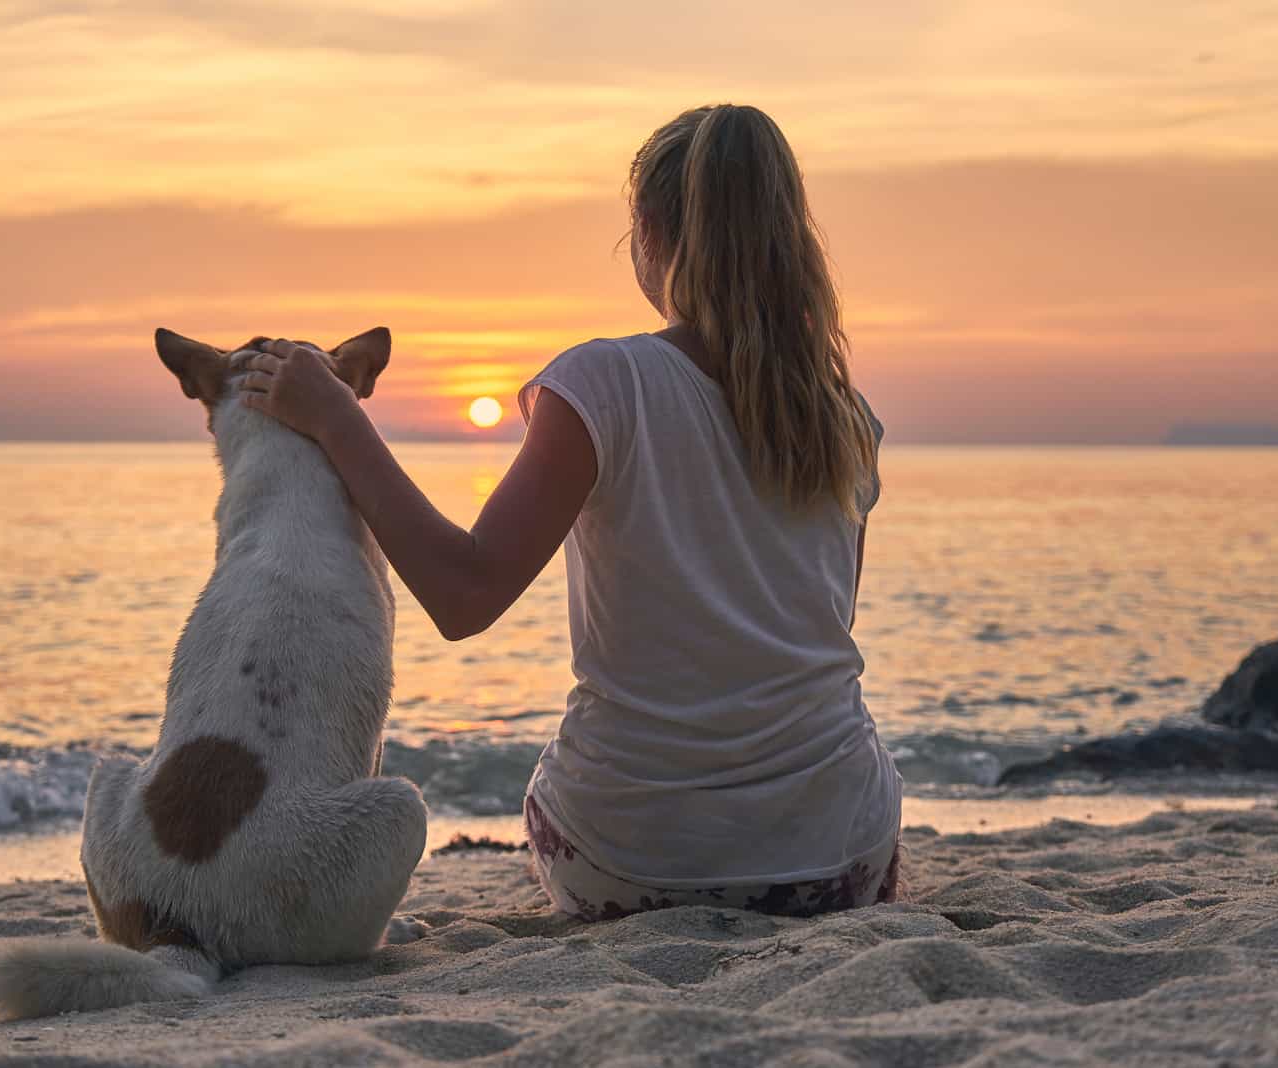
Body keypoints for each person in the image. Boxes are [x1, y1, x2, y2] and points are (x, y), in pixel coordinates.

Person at [237, 104, 901, 921]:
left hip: (632, 859)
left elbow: (465, 594)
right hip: (841, 859)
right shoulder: (845, 418)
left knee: (566, 795)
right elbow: (805, 642)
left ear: (651, 235)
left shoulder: (606, 383)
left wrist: (337, 418)